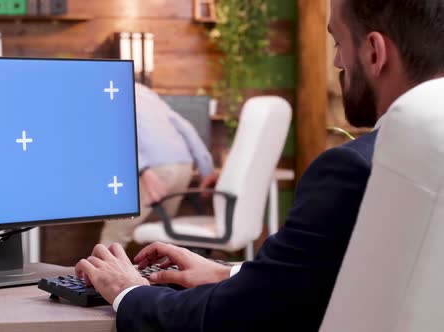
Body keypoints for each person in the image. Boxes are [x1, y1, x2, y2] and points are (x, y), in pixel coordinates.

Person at [76, 0, 444, 330]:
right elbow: (339, 279)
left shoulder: (354, 170)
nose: (336, 62)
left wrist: (128, 291)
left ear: (375, 53)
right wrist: (228, 272)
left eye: (338, 43)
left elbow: (230, 320)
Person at [99, 83, 217, 248]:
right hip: (183, 166)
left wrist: (143, 169)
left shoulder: (105, 92)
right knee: (161, 238)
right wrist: (206, 169)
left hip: (153, 170)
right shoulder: (143, 91)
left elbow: (118, 131)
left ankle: (101, 274)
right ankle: (162, 273)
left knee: (115, 235)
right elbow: (185, 127)